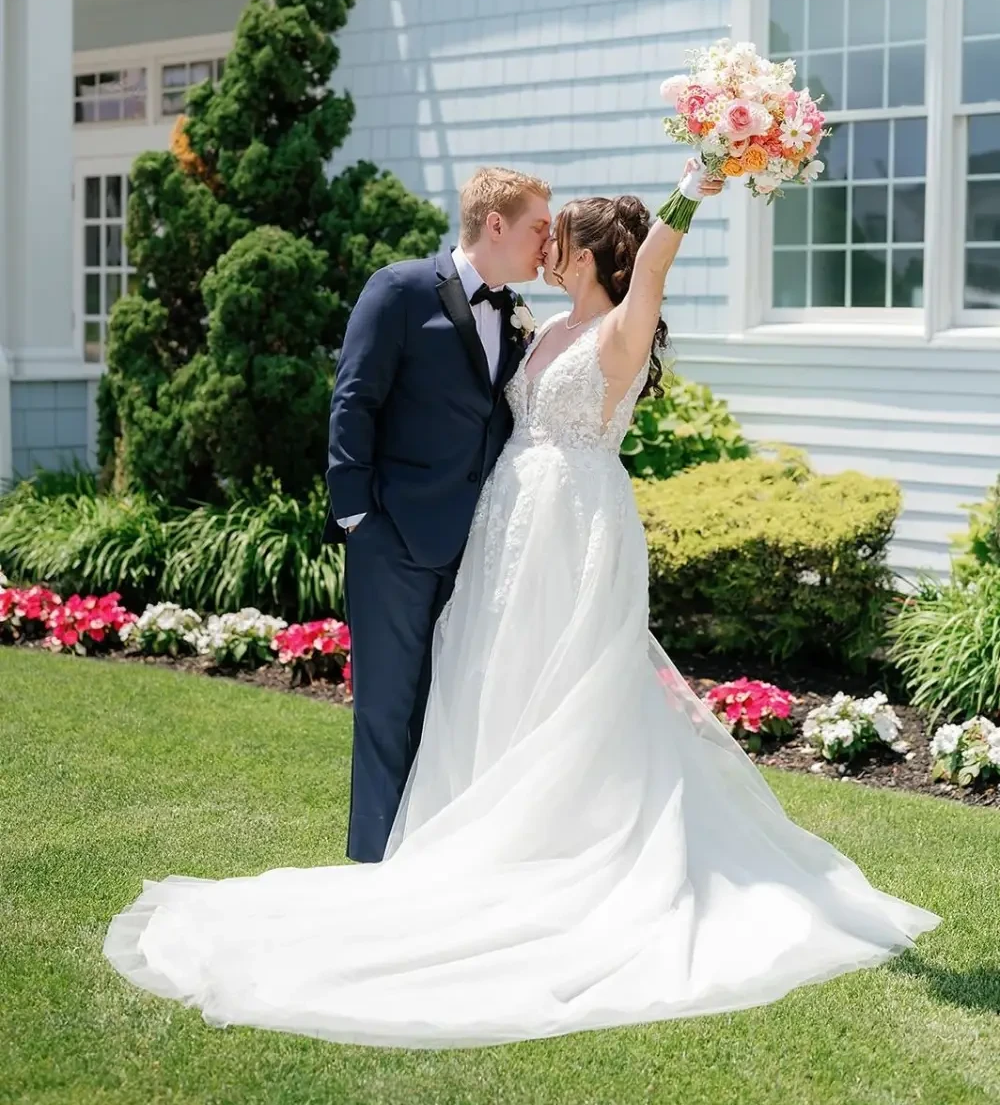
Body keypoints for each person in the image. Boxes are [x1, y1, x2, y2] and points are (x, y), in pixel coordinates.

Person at [103, 162, 940, 1050]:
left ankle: (556, 847)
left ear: (588, 252)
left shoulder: (622, 325)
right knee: (491, 679)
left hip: (574, 527)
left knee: (567, 684)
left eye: (558, 233)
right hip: (506, 525)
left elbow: (651, 266)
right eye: (538, 228)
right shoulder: (535, 326)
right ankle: (464, 837)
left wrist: (696, 181)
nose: (545, 244)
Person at [321, 167, 552, 863]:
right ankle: (371, 868)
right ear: (496, 225)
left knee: (449, 715)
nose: (548, 240)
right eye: (540, 227)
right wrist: (358, 517)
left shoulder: (517, 315)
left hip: (476, 548)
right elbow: (353, 399)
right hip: (393, 541)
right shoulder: (398, 289)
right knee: (387, 714)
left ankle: (427, 866)